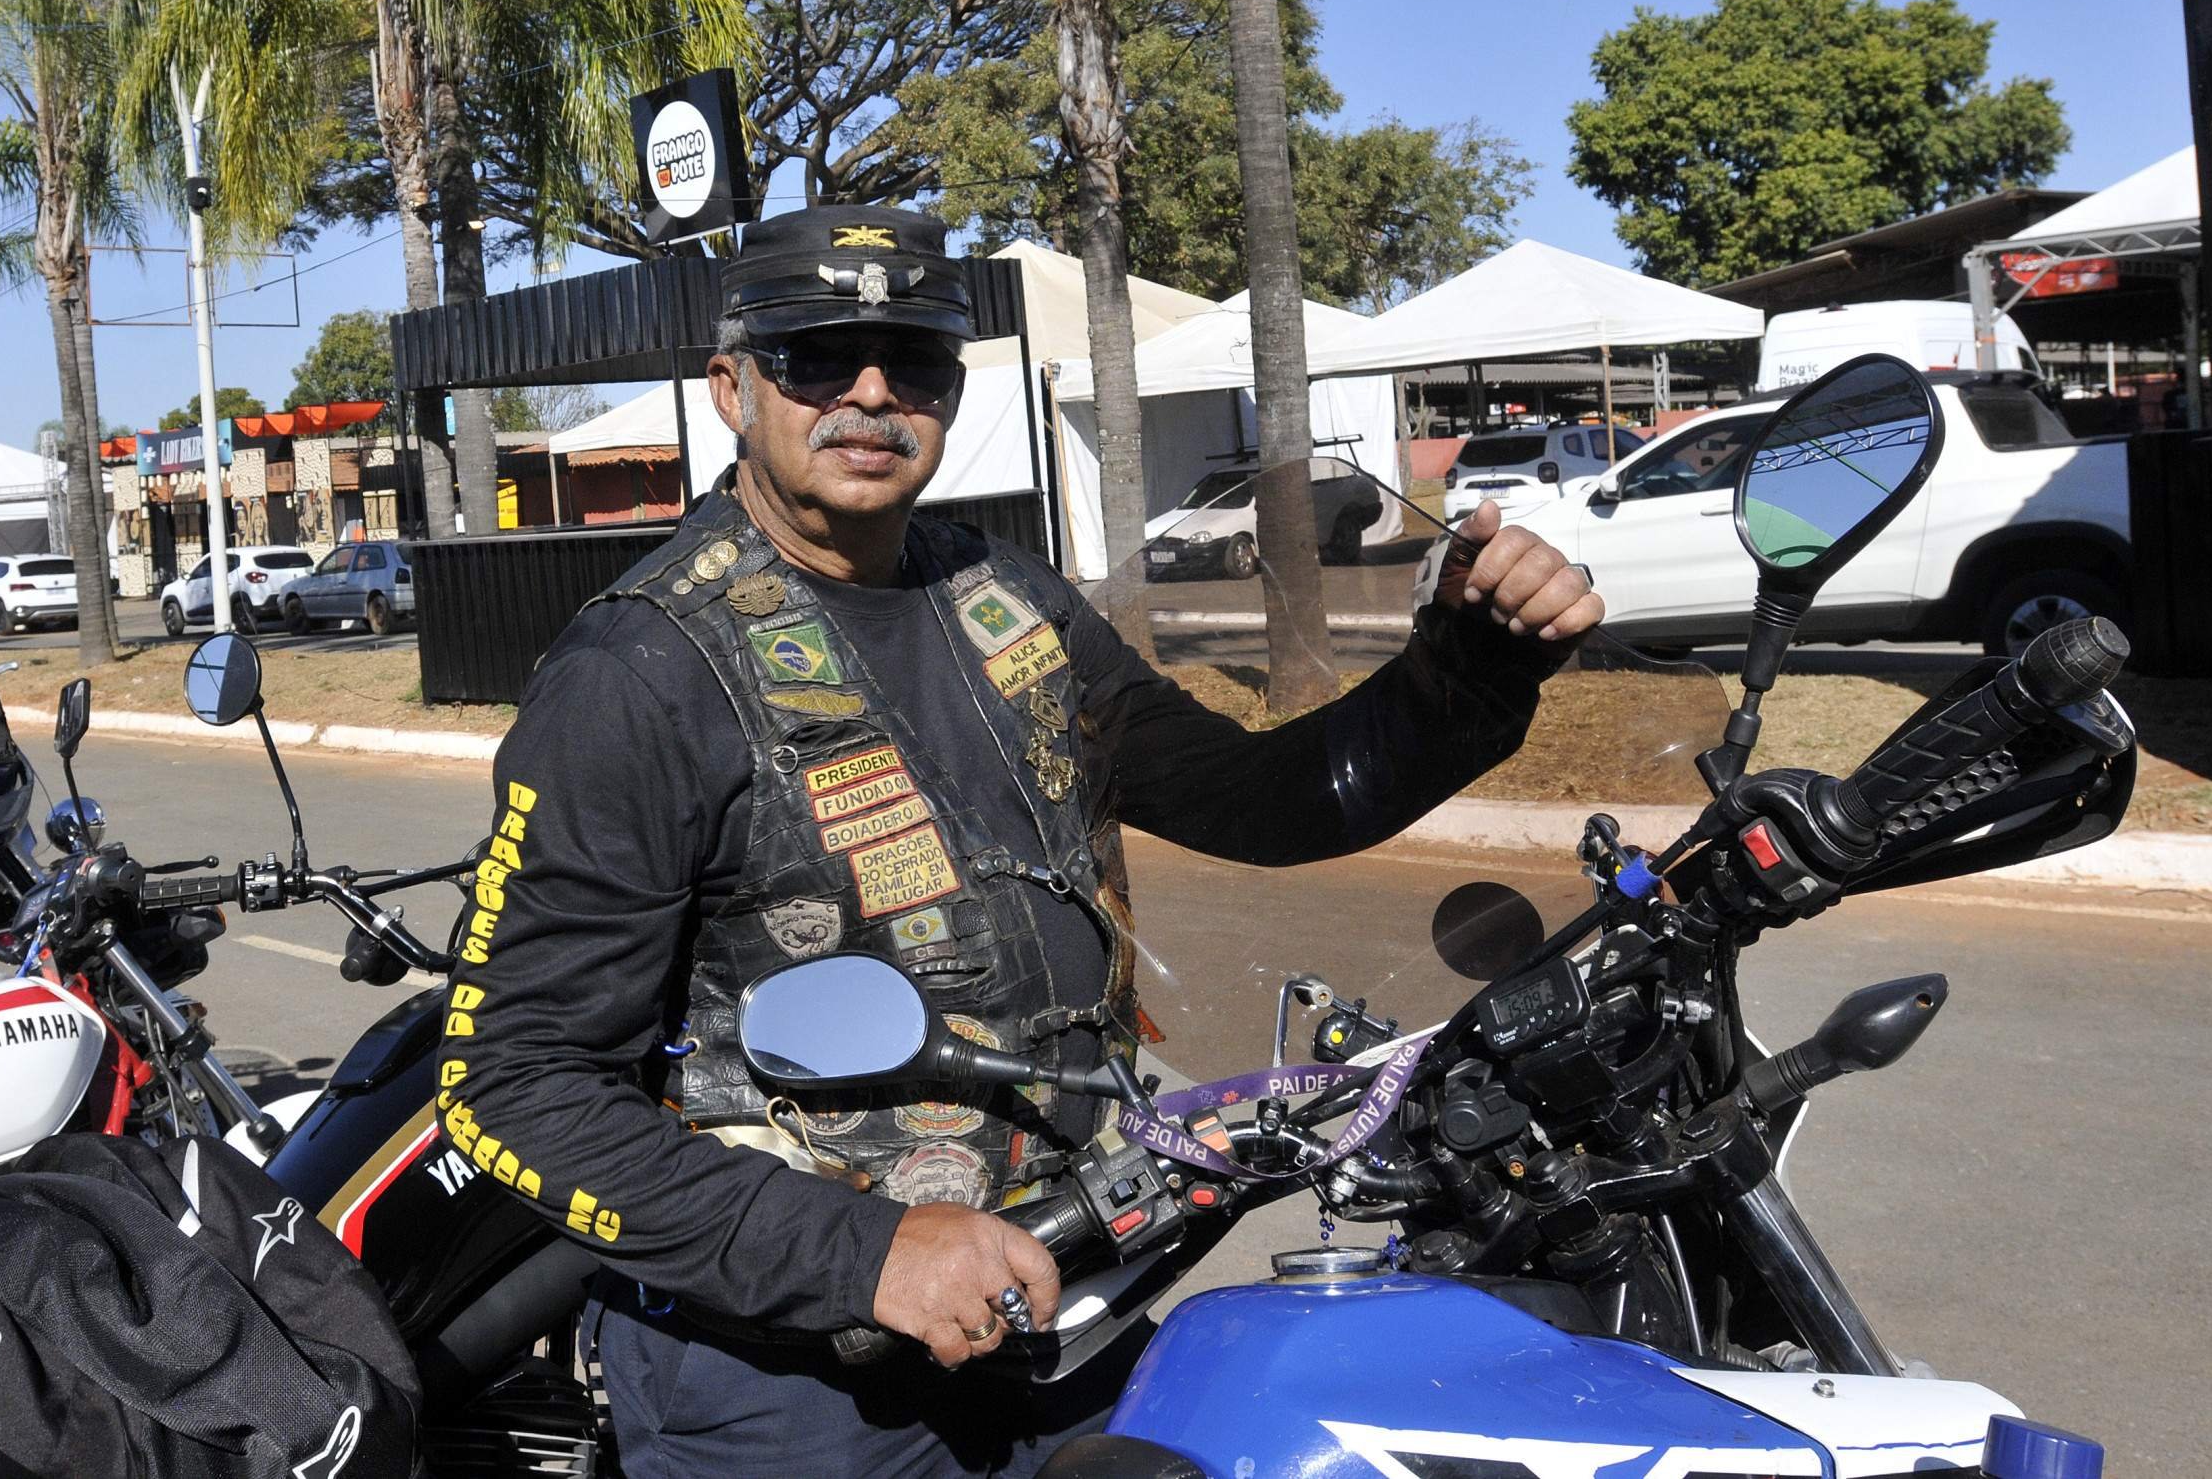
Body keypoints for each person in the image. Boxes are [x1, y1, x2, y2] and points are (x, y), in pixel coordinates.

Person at [436, 207, 1603, 1477]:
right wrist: (863, 1252)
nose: (871, 393)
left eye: (915, 361)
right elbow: (515, 1083)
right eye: (818, 355)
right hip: (796, 1387)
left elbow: (1262, 797)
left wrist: (1470, 664)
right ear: (733, 386)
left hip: (1069, 1301)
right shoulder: (640, 671)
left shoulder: (1001, 602)